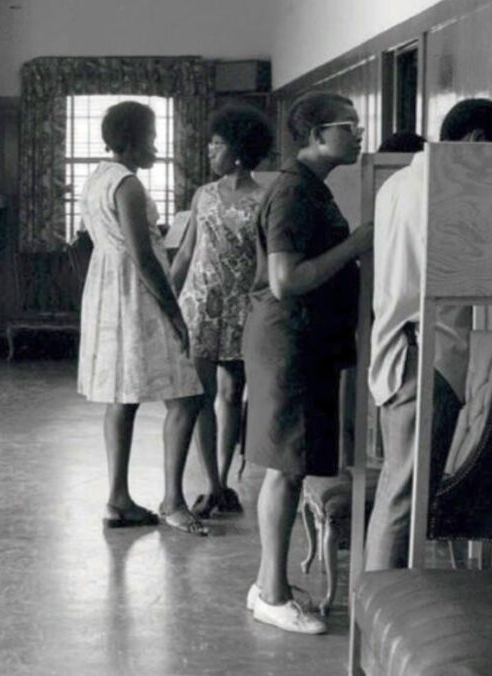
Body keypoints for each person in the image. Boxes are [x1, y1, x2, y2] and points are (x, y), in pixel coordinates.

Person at [242, 92, 373, 634]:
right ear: (318, 135)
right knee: (285, 469)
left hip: (302, 341)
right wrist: (359, 243)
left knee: (290, 468)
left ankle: (266, 584)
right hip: (288, 340)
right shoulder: (295, 191)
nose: (359, 134)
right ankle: (273, 596)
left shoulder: (310, 187)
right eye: (350, 125)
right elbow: (286, 279)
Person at [364, 100, 492, 571]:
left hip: (399, 347)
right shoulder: (451, 189)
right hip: (428, 352)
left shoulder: (398, 182)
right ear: (477, 141)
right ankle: (377, 605)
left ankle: (375, 601)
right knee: (405, 498)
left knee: (399, 491)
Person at [77, 101, 206, 536]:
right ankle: (173, 501)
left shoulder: (98, 177)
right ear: (131, 141)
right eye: (151, 138)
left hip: (109, 289)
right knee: (186, 396)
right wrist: (174, 311)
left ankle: (118, 500)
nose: (156, 147)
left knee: (123, 396)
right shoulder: (127, 183)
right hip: (135, 292)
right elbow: (143, 256)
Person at [171, 104, 273, 518]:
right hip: (199, 303)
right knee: (200, 396)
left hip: (242, 306)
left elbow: (266, 261)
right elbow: (186, 252)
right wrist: (167, 300)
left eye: (217, 145)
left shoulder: (264, 199)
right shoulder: (204, 194)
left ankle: (224, 479)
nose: (210, 151)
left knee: (232, 394)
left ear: (240, 150)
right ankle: (212, 483)